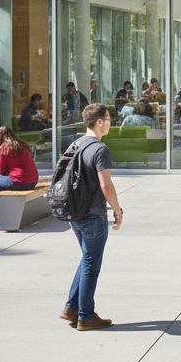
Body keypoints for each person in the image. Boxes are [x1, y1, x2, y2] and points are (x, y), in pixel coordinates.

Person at [60, 103, 124, 331]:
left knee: (86, 259)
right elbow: (106, 184)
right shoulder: (100, 149)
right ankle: (86, 316)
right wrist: (117, 210)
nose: (109, 123)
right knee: (91, 264)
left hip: (75, 212)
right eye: (107, 119)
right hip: (93, 213)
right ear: (99, 121)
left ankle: (72, 307)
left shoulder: (75, 145)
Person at [0, 126, 39, 228]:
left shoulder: (4, 146)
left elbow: (0, 171)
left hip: (18, 181)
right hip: (32, 181)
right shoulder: (21, 145)